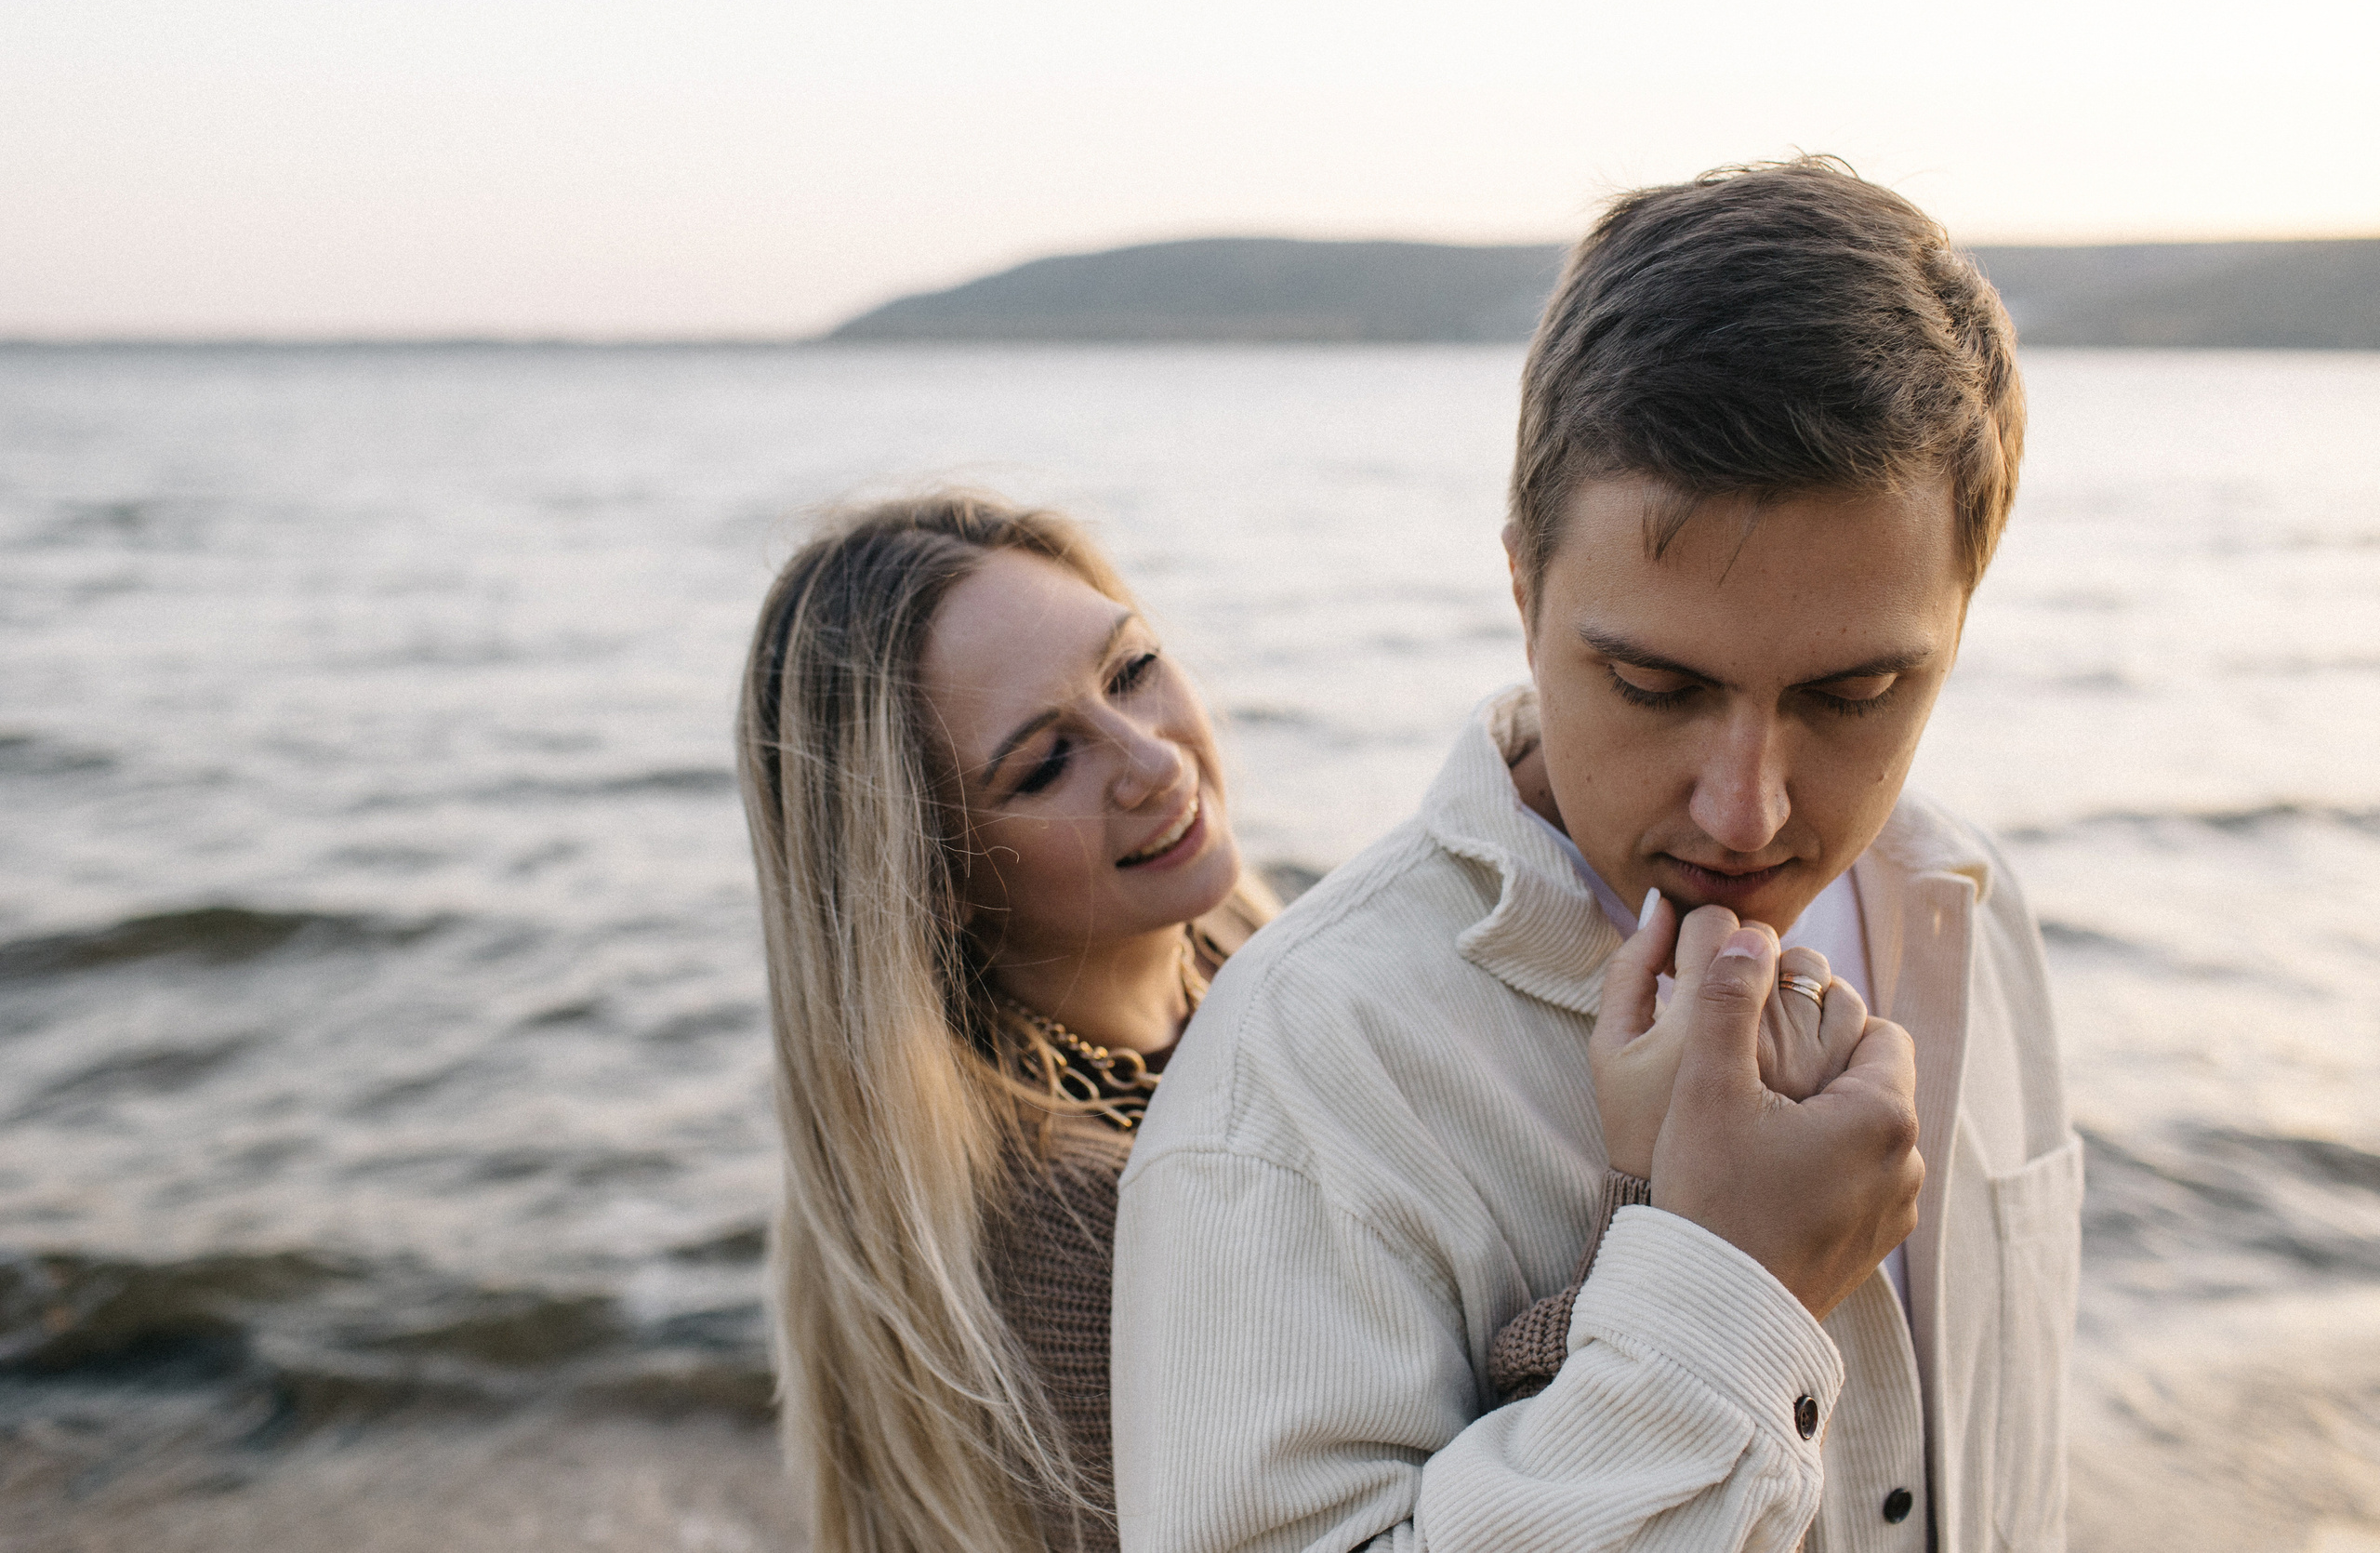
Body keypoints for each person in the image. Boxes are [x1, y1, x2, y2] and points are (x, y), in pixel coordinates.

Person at [1112, 159, 2082, 1553]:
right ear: (1523, 591)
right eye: (1655, 684)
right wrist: (1722, 1287)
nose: (1745, 810)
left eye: (1851, 695)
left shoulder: (1972, 913)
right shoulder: (1304, 1078)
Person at [735, 492, 1276, 1553]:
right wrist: (1659, 1204)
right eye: (1044, 764)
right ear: (929, 878)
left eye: (1130, 671)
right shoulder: (1072, 1238)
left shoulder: (1253, 968)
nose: (1154, 761)